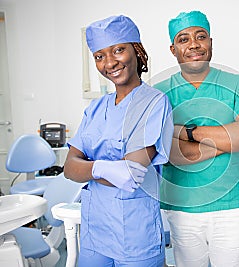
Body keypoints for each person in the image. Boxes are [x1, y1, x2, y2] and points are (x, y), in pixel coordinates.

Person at [154, 10, 239, 267]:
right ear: (173, 49)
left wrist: (187, 133)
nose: (193, 44)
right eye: (184, 39)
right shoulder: (159, 94)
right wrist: (229, 138)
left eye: (200, 36)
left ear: (210, 42)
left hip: (230, 206)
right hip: (182, 207)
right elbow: (170, 154)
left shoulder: (237, 84)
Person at [63, 15, 173, 267]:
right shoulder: (95, 107)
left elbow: (129, 173)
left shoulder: (154, 103)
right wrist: (103, 168)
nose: (109, 62)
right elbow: (69, 168)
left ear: (137, 50)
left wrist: (88, 166)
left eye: (118, 50)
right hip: (95, 229)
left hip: (134, 231)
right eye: (99, 56)